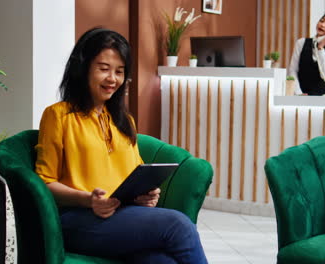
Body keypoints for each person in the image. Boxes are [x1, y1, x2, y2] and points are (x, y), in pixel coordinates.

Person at [34, 27, 208, 264]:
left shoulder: (124, 120)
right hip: (78, 220)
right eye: (104, 69)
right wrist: (89, 200)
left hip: (122, 216)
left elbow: (134, 173)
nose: (112, 79)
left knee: (162, 261)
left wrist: (143, 195)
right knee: (179, 225)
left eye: (119, 71)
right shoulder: (58, 116)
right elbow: (44, 183)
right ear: (83, 68)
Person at [288, 12, 325, 95]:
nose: (322, 25)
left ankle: (310, 98)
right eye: (321, 21)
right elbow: (293, 70)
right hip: (301, 90)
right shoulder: (301, 43)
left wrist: (320, 48)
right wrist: (299, 93)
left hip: (319, 93)